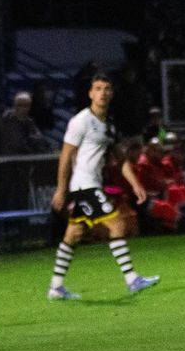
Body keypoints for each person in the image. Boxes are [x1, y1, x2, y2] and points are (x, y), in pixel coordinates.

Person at [46, 72, 160, 300]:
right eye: (97, 88)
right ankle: (132, 279)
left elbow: (120, 157)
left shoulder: (109, 125)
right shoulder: (80, 121)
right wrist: (61, 189)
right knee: (117, 224)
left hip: (90, 186)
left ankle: (56, 287)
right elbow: (65, 156)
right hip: (84, 186)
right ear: (90, 93)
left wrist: (135, 184)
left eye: (106, 89)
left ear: (112, 93)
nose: (102, 93)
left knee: (73, 235)